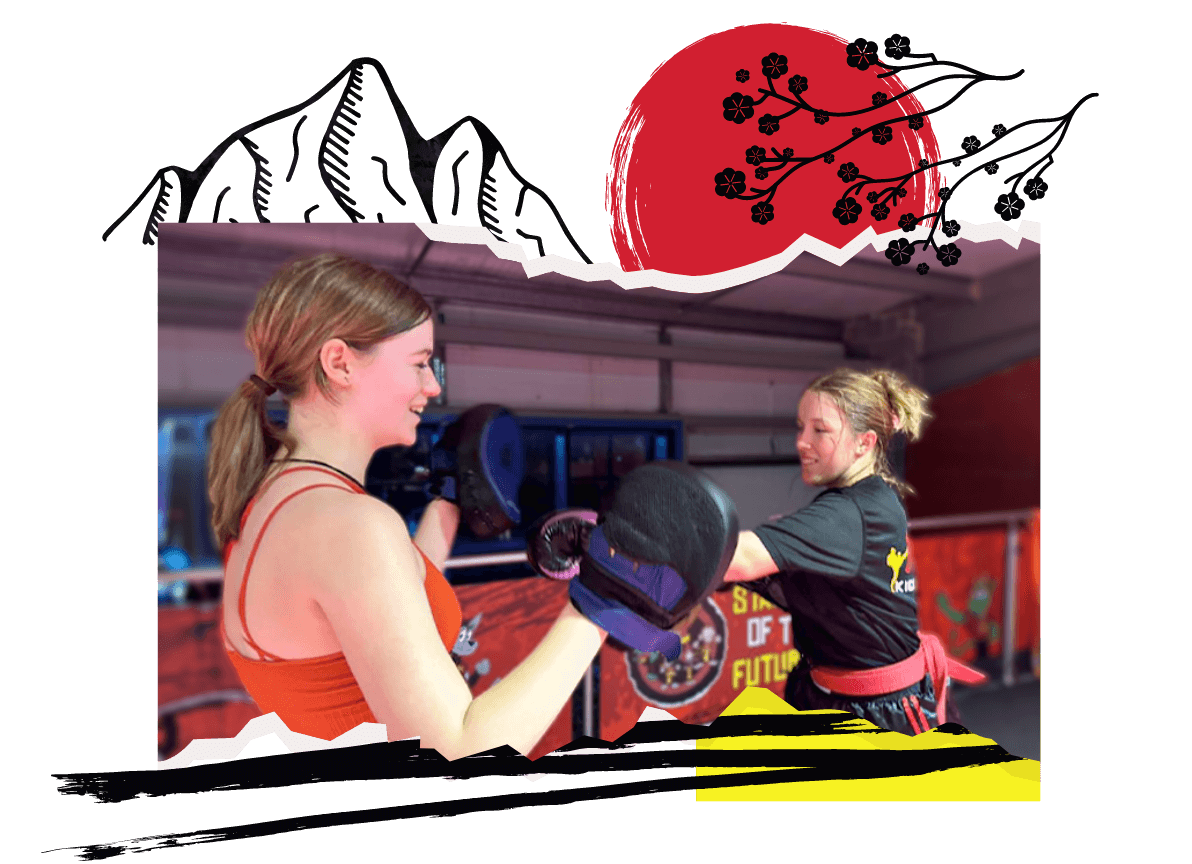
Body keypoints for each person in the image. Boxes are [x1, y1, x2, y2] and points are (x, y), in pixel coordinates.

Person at [208, 252, 612, 761]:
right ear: (340, 363)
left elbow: (383, 602)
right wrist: (601, 603)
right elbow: (462, 753)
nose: (433, 386)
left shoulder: (267, 498)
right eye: (420, 363)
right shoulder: (352, 526)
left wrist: (450, 501)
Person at [720, 368, 986, 734]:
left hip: (878, 715)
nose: (801, 441)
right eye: (801, 427)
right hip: (825, 693)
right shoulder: (868, 501)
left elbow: (739, 560)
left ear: (864, 443)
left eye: (820, 430)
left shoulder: (853, 514)